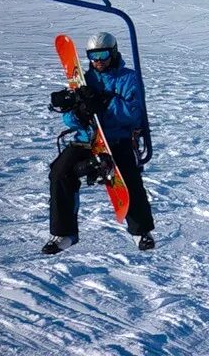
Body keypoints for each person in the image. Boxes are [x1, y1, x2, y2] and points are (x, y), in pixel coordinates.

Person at [44, 32, 155, 254]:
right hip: (86, 139)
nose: (98, 61)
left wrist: (105, 102)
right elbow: (69, 118)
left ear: (113, 53)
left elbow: (134, 113)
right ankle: (64, 233)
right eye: (93, 56)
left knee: (127, 176)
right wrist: (79, 111)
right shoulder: (84, 80)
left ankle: (141, 231)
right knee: (59, 171)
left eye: (103, 55)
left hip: (116, 138)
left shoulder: (128, 79)